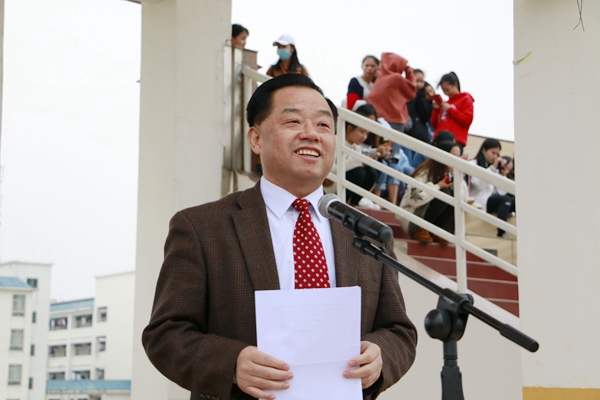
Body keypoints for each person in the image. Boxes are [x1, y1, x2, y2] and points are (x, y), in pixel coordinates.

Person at [142, 74, 417, 400]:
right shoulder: (202, 227)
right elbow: (166, 334)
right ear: (256, 139)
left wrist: (380, 357)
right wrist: (232, 364)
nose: (311, 134)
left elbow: (399, 330)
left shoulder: (365, 231)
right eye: (293, 121)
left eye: (323, 125)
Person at [397, 140, 465, 244]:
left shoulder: (451, 175)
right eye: (453, 156)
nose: (456, 160)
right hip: (413, 221)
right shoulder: (425, 172)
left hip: (431, 225)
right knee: (444, 193)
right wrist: (438, 186)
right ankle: (422, 229)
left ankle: (440, 231)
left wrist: (458, 177)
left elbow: (464, 200)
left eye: (458, 157)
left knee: (454, 197)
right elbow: (414, 200)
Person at [338, 104, 391, 205]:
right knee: (359, 173)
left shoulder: (356, 146)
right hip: (332, 183)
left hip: (343, 181)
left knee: (371, 173)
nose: (364, 137)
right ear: (349, 128)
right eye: (362, 132)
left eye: (366, 133)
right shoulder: (336, 141)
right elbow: (336, 168)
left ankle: (352, 204)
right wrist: (361, 162)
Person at [469, 139, 515, 238]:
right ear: (484, 150)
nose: (495, 156)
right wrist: (493, 168)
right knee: (505, 199)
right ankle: (501, 232)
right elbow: (477, 184)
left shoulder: (494, 168)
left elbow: (502, 192)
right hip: (478, 201)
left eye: (497, 154)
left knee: (515, 201)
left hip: (490, 200)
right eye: (493, 153)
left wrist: (502, 175)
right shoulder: (473, 163)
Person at [430, 72, 474, 147]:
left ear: (455, 85)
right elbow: (435, 124)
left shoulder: (466, 99)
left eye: (447, 89)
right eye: (444, 91)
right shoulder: (445, 103)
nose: (446, 93)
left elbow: (467, 120)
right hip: (439, 140)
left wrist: (450, 110)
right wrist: (436, 110)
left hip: (455, 141)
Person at [405, 69, 434, 167]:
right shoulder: (406, 93)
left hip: (421, 138)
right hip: (408, 137)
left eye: (421, 81)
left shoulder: (423, 96)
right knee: (408, 166)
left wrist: (421, 95)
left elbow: (426, 116)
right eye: (417, 80)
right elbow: (408, 110)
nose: (419, 84)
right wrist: (413, 93)